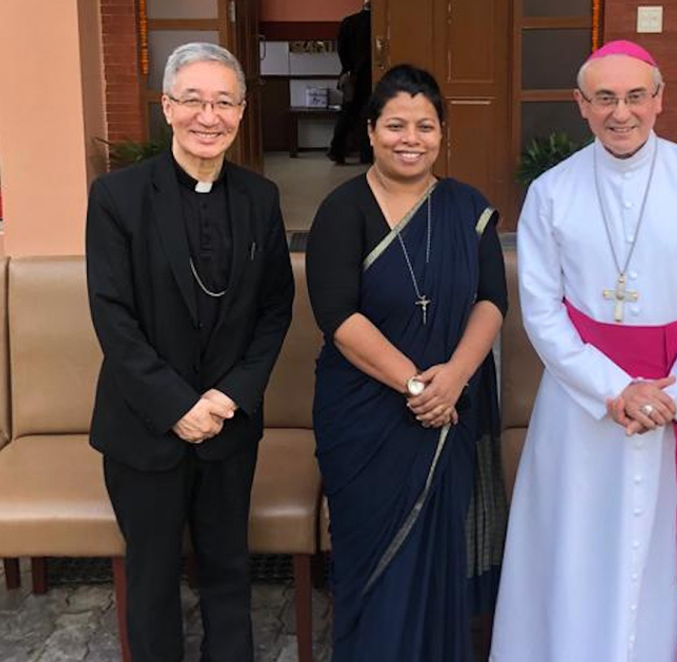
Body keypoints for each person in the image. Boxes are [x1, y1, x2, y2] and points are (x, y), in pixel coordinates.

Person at [491, 40, 677, 661]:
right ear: (581, 105)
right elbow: (542, 311)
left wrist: (675, 392)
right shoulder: (552, 192)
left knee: (666, 545)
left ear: (659, 100)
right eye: (604, 98)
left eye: (636, 96)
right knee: (578, 541)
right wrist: (614, 390)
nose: (621, 112)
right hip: (583, 407)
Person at [85, 42, 294, 662]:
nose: (210, 116)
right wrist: (177, 404)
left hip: (229, 425)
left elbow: (275, 309)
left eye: (224, 102)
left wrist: (229, 396)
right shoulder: (117, 197)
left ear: (242, 110)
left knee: (229, 567)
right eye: (195, 101)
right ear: (168, 108)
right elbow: (112, 315)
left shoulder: (261, 199)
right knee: (151, 579)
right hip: (145, 425)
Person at [306, 64, 508, 661]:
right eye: (395, 124)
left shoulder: (467, 208)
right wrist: (419, 385)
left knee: (438, 552)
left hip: (451, 404)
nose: (410, 138)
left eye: (425, 125)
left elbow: (493, 301)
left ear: (442, 132)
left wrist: (455, 378)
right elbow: (339, 318)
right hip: (364, 415)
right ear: (370, 131)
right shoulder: (342, 211)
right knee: (372, 554)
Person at [328, 0, 373, 165]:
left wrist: (348, 69)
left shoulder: (349, 22)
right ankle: (367, 155)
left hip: (351, 76)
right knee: (369, 116)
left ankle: (336, 150)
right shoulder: (379, 24)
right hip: (371, 76)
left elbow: (341, 49)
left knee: (347, 114)